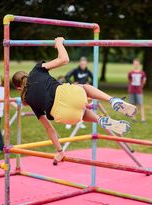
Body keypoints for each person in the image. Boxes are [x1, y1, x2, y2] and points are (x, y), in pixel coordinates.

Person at [12, 37, 136, 165]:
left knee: (82, 113)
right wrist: (59, 43)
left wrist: (60, 150)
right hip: (68, 94)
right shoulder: (36, 70)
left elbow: (49, 128)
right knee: (85, 88)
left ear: (18, 88)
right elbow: (64, 59)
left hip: (64, 116)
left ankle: (99, 120)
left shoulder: (28, 100)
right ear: (26, 75)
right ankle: (112, 100)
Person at [64, 57, 93, 129]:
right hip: (75, 90)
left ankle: (80, 122)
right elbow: (66, 76)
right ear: (80, 63)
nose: (83, 65)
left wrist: (89, 83)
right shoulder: (75, 70)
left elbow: (94, 78)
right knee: (72, 106)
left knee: (82, 107)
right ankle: (68, 122)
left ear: (86, 64)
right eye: (82, 64)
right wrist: (72, 83)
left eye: (84, 64)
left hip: (84, 92)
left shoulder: (88, 71)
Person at [127, 58, 147, 123]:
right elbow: (129, 80)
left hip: (139, 91)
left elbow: (144, 80)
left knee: (140, 104)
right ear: (133, 64)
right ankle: (133, 117)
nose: (136, 65)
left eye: (137, 64)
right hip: (132, 90)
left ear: (139, 64)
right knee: (132, 104)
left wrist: (141, 87)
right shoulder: (130, 72)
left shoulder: (142, 73)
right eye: (134, 63)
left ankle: (143, 118)